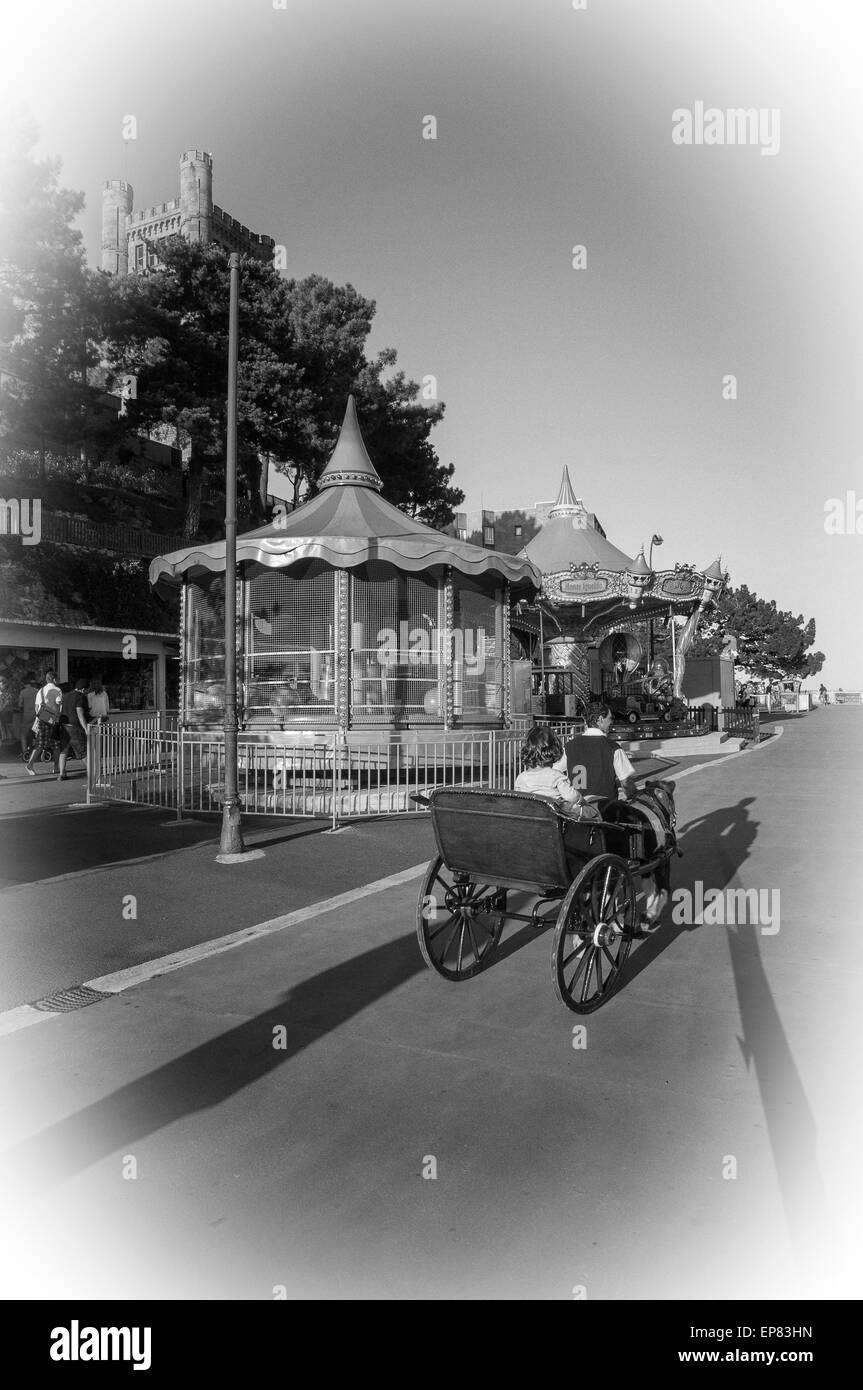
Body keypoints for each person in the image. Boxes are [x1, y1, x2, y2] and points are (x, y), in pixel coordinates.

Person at [554, 699, 637, 803]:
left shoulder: (569, 746)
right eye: (610, 718)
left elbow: (555, 772)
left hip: (577, 810)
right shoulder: (613, 748)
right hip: (606, 809)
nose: (611, 722)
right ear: (601, 719)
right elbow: (626, 784)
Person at [514, 726, 597, 819]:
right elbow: (572, 797)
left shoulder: (521, 778)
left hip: (532, 817)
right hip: (556, 818)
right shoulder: (556, 776)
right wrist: (582, 800)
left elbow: (518, 799)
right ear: (554, 749)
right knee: (592, 811)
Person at [24, 669, 63, 776]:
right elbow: (59, 705)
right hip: (53, 721)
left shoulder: (40, 691)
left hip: (42, 720)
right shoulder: (57, 690)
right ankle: (56, 767)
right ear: (54, 679)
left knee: (39, 744)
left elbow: (36, 707)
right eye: (57, 678)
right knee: (56, 745)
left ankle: (30, 765)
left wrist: (42, 716)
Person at [55, 675, 90, 781]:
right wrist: (85, 728)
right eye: (87, 690)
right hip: (74, 728)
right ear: (83, 689)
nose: (87, 692)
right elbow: (79, 712)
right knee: (83, 751)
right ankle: (93, 773)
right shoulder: (80, 696)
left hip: (63, 726)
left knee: (63, 751)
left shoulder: (66, 695)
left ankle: (62, 774)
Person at [16, 672, 39, 758]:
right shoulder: (37, 691)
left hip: (26, 716)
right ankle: (34, 752)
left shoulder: (23, 692)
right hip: (36, 715)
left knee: (23, 734)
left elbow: (20, 705)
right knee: (33, 734)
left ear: (24, 684)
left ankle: (25, 752)